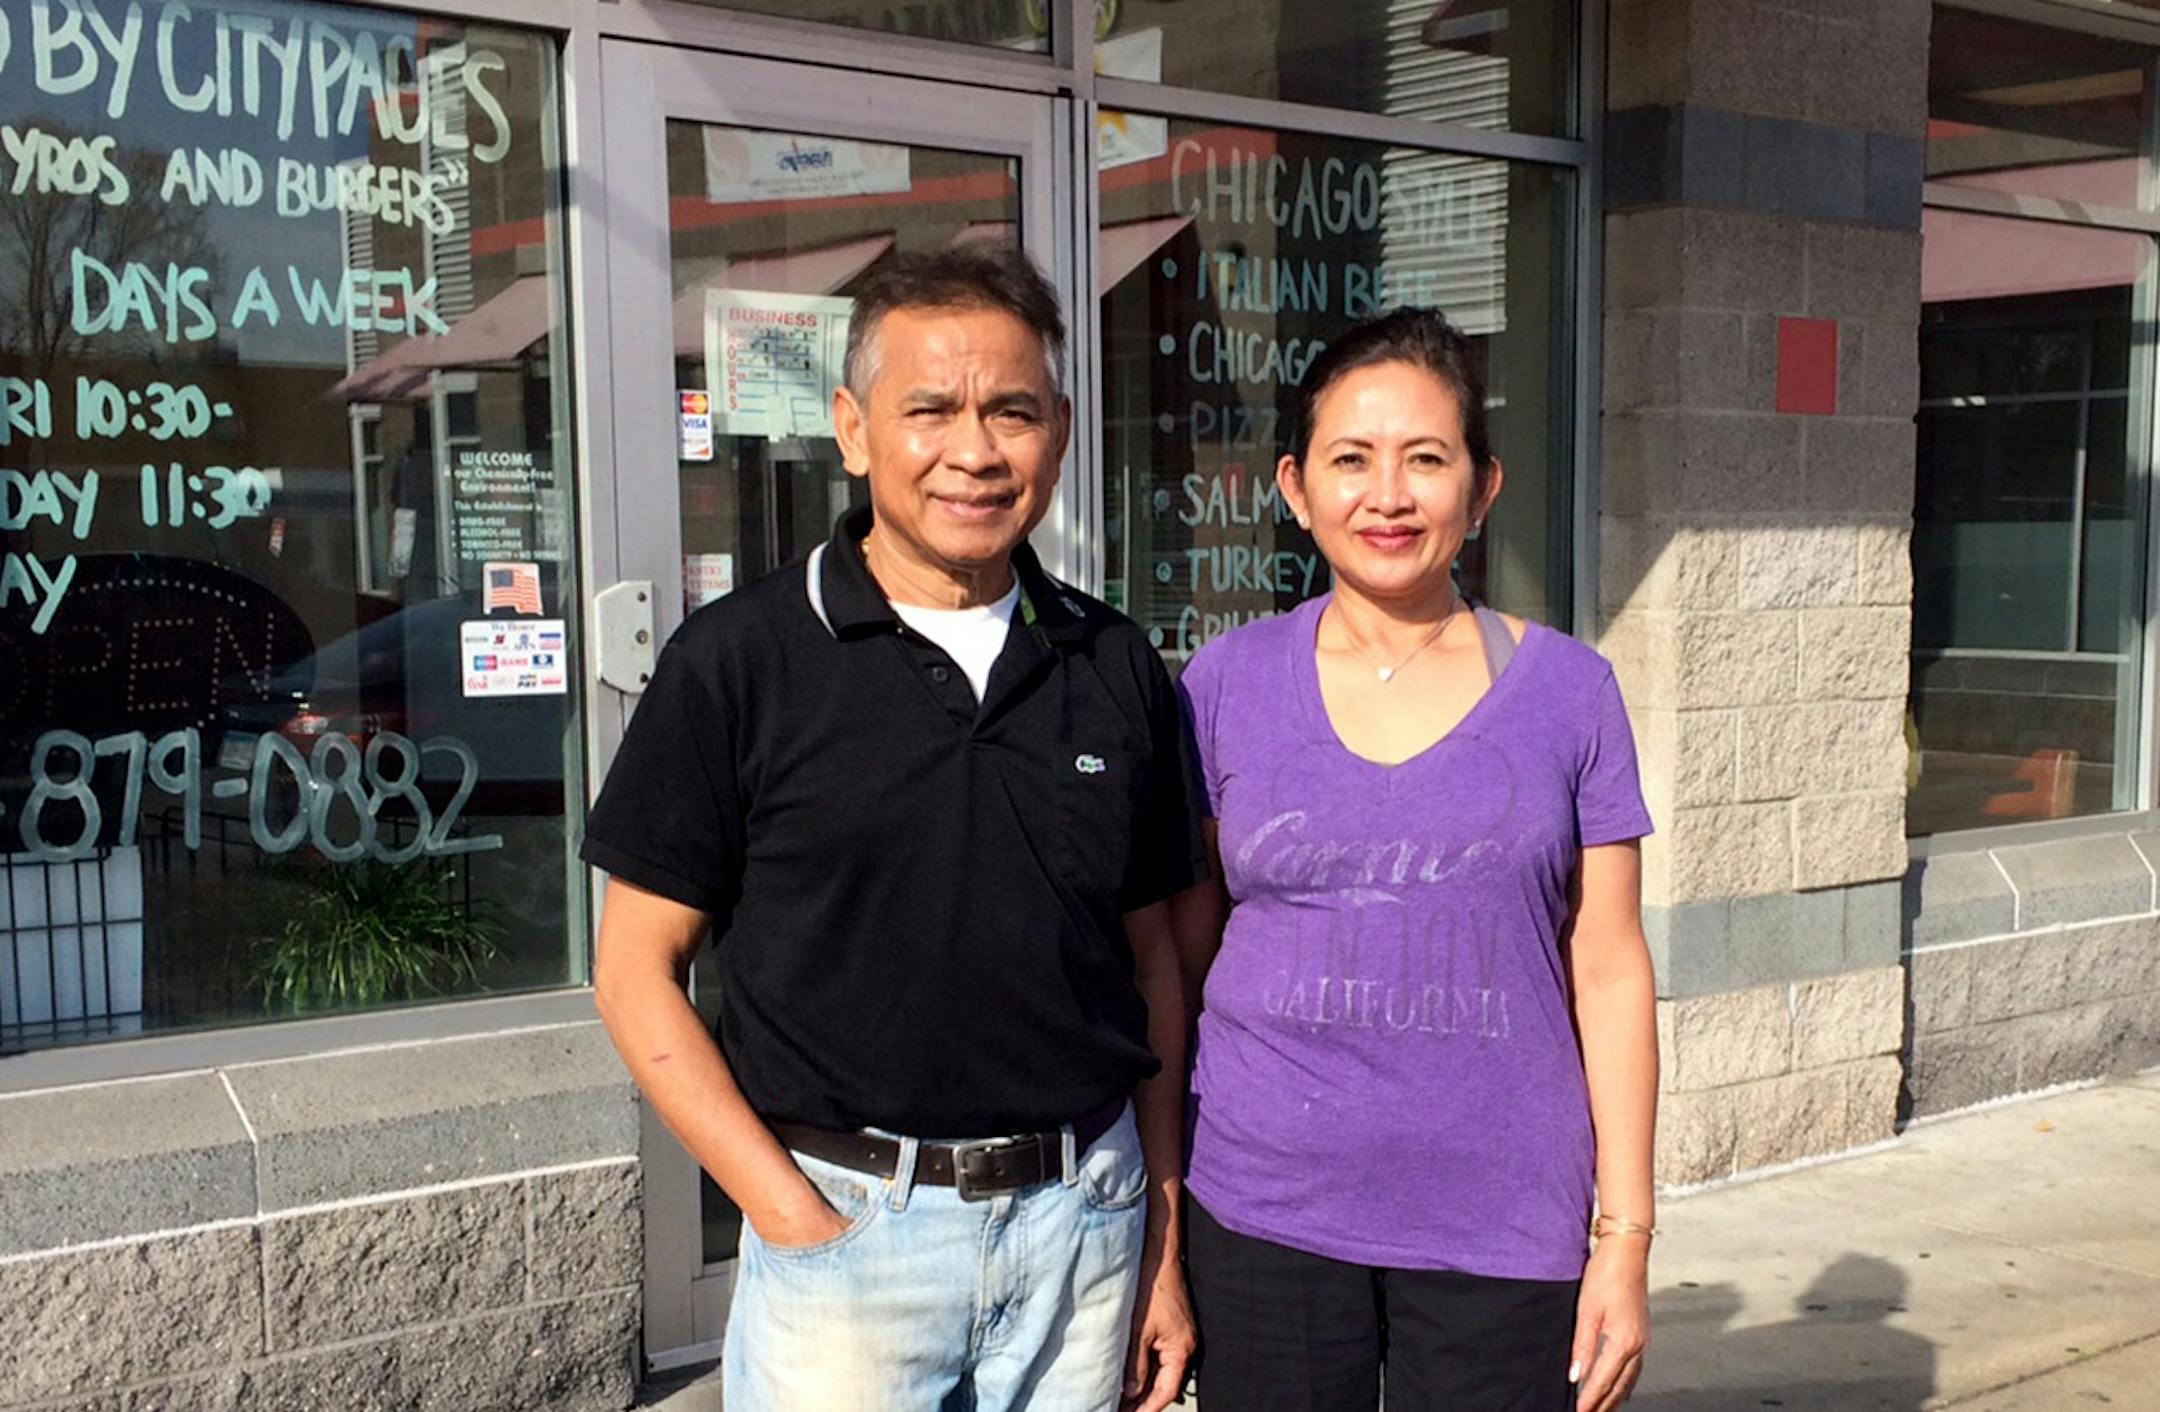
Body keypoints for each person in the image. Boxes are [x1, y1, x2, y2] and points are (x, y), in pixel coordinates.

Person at [581, 246, 1204, 1411]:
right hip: (849, 1235)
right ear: (855, 430)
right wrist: (788, 1213)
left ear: (1060, 433)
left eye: (1013, 411)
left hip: (1087, 1227)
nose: (975, 450)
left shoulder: (1112, 663)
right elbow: (633, 970)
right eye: (932, 410)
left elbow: (1153, 963)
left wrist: (1160, 1227)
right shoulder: (740, 663)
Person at [1171, 307, 1658, 1412]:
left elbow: (1613, 967)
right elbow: (1183, 964)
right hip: (1263, 1208)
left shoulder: (1571, 694)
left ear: (1483, 488)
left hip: (1502, 1216)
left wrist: (1624, 1235)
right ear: (1295, 489)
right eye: (1351, 459)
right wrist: (1160, 1228)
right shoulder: (1223, 686)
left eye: (1425, 459)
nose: (1386, 494)